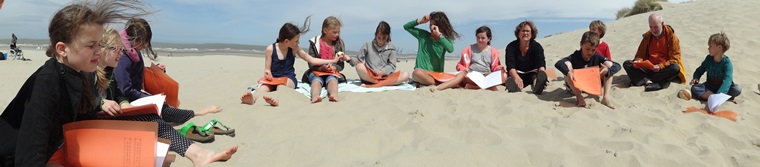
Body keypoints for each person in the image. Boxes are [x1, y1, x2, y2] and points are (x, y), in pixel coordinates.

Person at [0, 0, 149, 165]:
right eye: (91, 45)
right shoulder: (47, 82)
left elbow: (85, 121)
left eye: (100, 44)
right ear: (62, 49)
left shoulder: (79, 75)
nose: (99, 51)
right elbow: (28, 157)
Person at [92, 28, 236, 166]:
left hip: (112, 114)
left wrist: (123, 102)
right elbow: (80, 99)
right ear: (101, 49)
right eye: (114, 49)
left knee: (155, 117)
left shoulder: (110, 70)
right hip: (93, 124)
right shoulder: (89, 72)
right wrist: (100, 102)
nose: (120, 53)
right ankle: (197, 147)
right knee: (155, 116)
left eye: (121, 49)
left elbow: (119, 91)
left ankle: (199, 154)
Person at [114, 18, 222, 124]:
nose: (145, 45)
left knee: (164, 106)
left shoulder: (133, 51)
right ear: (134, 38)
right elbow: (125, 89)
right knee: (163, 108)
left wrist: (154, 70)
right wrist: (150, 98)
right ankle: (198, 113)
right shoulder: (124, 56)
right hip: (125, 99)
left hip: (134, 94)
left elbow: (134, 72)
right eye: (143, 41)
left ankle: (185, 115)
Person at [240, 16, 341, 105]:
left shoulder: (295, 48)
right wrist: (268, 73)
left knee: (281, 86)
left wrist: (332, 60)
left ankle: (276, 98)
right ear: (287, 41)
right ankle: (253, 99)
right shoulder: (270, 49)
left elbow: (311, 60)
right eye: (296, 40)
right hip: (273, 78)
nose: (298, 42)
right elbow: (267, 69)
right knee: (264, 87)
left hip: (288, 78)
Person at [622, 13, 686, 91]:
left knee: (675, 68)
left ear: (662, 24)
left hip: (663, 68)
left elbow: (675, 57)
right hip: (649, 67)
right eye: (651, 27)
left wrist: (660, 66)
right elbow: (640, 54)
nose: (653, 30)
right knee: (627, 64)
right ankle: (650, 81)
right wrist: (638, 61)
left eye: (656, 27)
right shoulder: (647, 36)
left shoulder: (672, 37)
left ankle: (644, 79)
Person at [554, 31, 618, 109]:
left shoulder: (596, 56)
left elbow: (617, 65)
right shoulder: (575, 56)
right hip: (576, 86)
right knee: (566, 65)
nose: (590, 52)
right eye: (587, 49)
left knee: (609, 65)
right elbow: (558, 63)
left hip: (591, 85)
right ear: (581, 45)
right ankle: (579, 97)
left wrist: (607, 70)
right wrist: (568, 73)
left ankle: (606, 97)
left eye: (593, 50)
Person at [431, 26, 506, 91]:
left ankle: (472, 87)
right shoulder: (469, 49)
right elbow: (459, 65)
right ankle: (439, 88)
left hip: (487, 74)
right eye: (478, 37)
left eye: (483, 38)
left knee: (504, 76)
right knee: (463, 76)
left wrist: (499, 68)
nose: (480, 40)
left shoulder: (493, 51)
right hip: (472, 75)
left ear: (489, 39)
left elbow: (495, 67)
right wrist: (464, 69)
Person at [346, 21, 410, 87]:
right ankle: (377, 83)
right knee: (359, 67)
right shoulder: (368, 45)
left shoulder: (391, 47)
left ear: (388, 36)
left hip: (384, 77)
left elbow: (392, 65)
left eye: (384, 38)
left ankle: (376, 85)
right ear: (375, 35)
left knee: (406, 75)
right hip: (369, 77)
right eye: (379, 38)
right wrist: (349, 59)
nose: (381, 41)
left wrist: (383, 71)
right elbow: (358, 61)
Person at [302, 16, 350, 103]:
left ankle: (334, 94)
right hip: (317, 71)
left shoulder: (339, 43)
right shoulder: (314, 42)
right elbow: (311, 63)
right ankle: (315, 96)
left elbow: (341, 63)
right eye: (334, 32)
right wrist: (322, 68)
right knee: (316, 80)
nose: (337, 35)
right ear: (325, 30)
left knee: (332, 79)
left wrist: (335, 68)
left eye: (338, 32)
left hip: (332, 72)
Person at [405, 11, 460, 86]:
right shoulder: (423, 36)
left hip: (436, 74)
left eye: (435, 25)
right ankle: (438, 84)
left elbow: (450, 49)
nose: (432, 27)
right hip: (422, 73)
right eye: (430, 24)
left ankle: (437, 82)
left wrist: (439, 35)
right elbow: (406, 27)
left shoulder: (444, 39)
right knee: (416, 72)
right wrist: (420, 21)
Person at [690, 32, 741, 102]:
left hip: (724, 88)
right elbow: (700, 70)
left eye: (710, 46)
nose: (708, 48)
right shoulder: (709, 59)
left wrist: (720, 94)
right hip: (709, 87)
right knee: (694, 88)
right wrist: (696, 78)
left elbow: (727, 80)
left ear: (719, 47)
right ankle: (719, 98)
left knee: (737, 89)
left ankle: (717, 97)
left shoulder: (727, 63)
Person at [504, 20, 548, 94]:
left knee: (537, 77)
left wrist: (542, 72)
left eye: (528, 31)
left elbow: (541, 62)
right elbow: (510, 64)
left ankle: (537, 87)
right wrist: (516, 76)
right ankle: (515, 88)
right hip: (517, 73)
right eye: (523, 31)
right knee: (509, 78)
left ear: (532, 34)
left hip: (532, 73)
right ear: (518, 33)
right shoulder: (511, 46)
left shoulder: (537, 47)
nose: (525, 33)